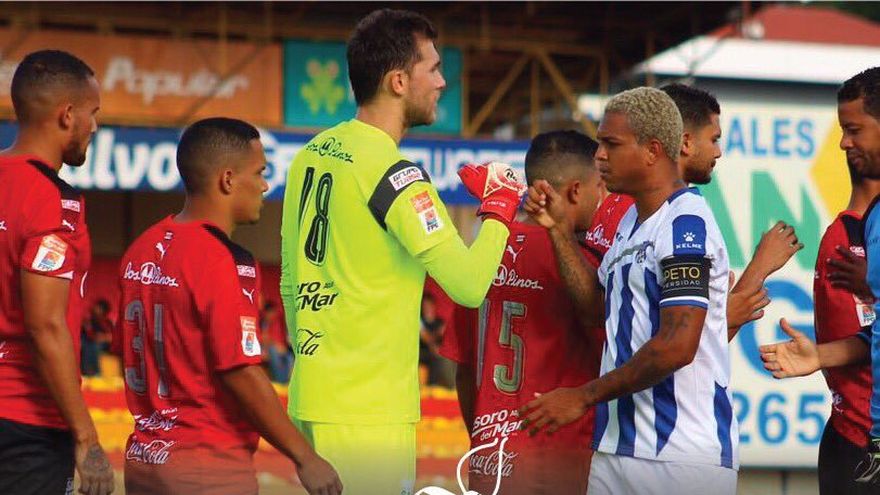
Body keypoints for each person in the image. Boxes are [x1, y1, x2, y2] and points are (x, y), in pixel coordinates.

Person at [280, 8, 525, 494]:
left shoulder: (309, 155)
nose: (442, 83)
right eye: (433, 69)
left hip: (312, 394)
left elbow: (290, 281)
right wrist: (500, 205)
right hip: (370, 411)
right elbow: (469, 285)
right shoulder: (397, 175)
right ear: (397, 81)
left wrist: (312, 353)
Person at [521, 87, 737, 494]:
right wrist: (559, 231)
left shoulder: (685, 223)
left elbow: (677, 346)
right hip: (616, 447)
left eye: (611, 144)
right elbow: (595, 310)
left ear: (653, 150)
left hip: (679, 456)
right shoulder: (629, 223)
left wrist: (582, 397)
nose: (599, 156)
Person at [116, 118, 341, 495]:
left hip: (144, 462)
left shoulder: (140, 249)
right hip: (208, 469)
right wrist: (305, 457)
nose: (266, 185)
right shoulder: (223, 260)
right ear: (228, 180)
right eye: (260, 172)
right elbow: (240, 370)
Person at [441, 130, 605, 494]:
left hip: (490, 461)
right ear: (575, 191)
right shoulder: (584, 268)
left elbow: (465, 371)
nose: (604, 197)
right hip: (561, 464)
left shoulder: (482, 254)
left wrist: (484, 442)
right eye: (600, 186)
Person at [759, 67, 880, 491]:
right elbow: (871, 336)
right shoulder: (849, 234)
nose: (844, 143)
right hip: (859, 442)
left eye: (853, 130)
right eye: (843, 130)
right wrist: (819, 356)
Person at [0, 50, 113, 495]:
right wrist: (86, 437)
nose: (95, 127)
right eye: (92, 113)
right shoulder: (53, 201)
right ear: (67, 115)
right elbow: (45, 325)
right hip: (27, 423)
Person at [418, 293, 449, 387]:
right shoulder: (419, 321)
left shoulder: (440, 321)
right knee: (434, 358)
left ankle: (451, 386)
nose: (427, 308)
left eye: (429, 305)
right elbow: (426, 338)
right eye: (425, 306)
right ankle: (431, 386)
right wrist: (437, 334)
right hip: (423, 352)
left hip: (440, 351)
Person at [261, 300, 293, 383]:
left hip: (274, 347)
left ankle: (286, 381)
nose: (273, 315)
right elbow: (264, 339)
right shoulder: (263, 324)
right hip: (264, 348)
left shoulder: (276, 324)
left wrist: (281, 347)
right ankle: (280, 381)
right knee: (273, 352)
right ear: (266, 313)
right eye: (272, 313)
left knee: (289, 357)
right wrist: (275, 345)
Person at [81, 299, 113, 377]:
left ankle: (95, 373)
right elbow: (89, 335)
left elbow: (111, 337)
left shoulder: (107, 323)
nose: (95, 309)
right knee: (85, 345)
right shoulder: (89, 321)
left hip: (102, 344)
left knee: (94, 347)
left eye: (98, 308)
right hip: (89, 342)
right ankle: (87, 372)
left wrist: (103, 337)